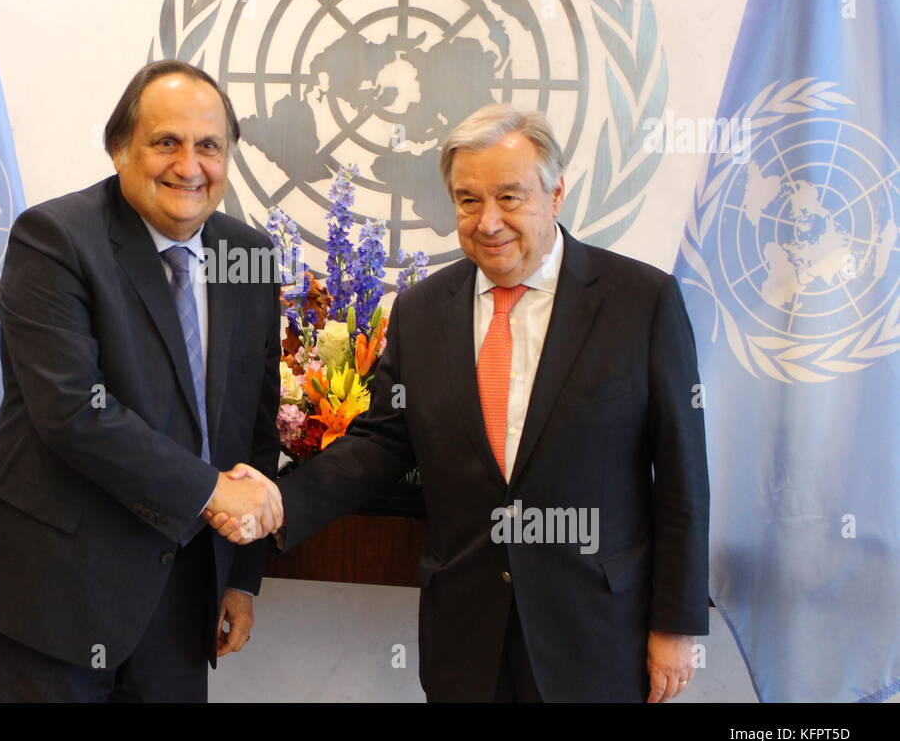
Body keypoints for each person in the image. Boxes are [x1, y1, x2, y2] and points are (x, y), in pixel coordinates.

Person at [210, 103, 710, 702]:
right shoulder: (423, 311)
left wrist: (676, 625)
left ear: (556, 194)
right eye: (469, 200)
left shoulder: (641, 301)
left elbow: (683, 478)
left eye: (510, 197)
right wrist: (278, 503)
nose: (488, 220)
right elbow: (383, 442)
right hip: (467, 632)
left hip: (598, 630)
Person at [0, 61, 283, 702]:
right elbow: (73, 412)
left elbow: (253, 424)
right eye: (166, 142)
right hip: (54, 592)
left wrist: (240, 575)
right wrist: (212, 491)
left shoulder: (250, 257)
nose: (190, 165)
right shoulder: (54, 240)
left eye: (209, 146)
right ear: (120, 148)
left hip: (181, 599)